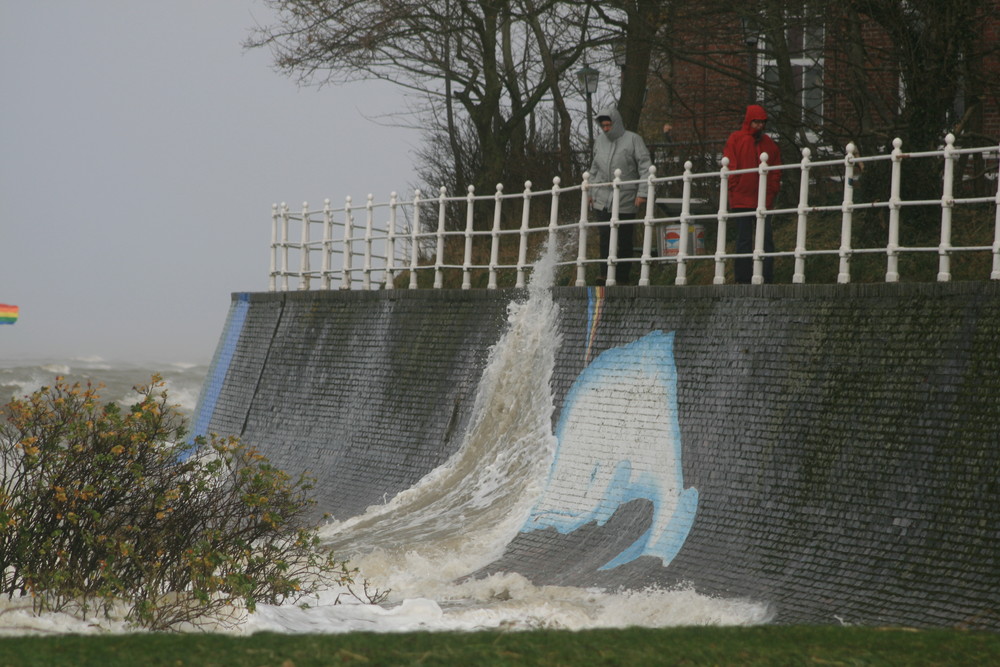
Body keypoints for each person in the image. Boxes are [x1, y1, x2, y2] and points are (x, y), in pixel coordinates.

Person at [588, 107, 652, 285]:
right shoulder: (600, 141)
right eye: (603, 126)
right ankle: (604, 273)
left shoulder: (633, 140)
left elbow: (645, 167)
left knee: (624, 238)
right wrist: (591, 191)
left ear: (616, 123)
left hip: (626, 196)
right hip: (603, 197)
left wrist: (642, 193)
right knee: (605, 235)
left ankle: (622, 276)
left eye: (608, 125)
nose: (606, 129)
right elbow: (594, 169)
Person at [723, 104, 781, 284]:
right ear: (750, 121)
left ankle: (765, 277)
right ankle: (743, 278)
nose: (760, 126)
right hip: (743, 197)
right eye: (757, 122)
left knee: (765, 240)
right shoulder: (737, 139)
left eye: (762, 122)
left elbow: (775, 171)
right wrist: (735, 186)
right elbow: (731, 165)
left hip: (760, 198)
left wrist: (770, 192)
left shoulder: (767, 144)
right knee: (745, 240)